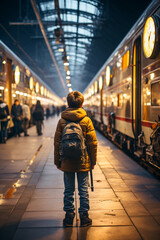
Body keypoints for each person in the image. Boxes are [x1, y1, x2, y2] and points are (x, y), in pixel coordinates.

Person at [54, 91, 97, 227]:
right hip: (83, 161)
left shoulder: (62, 121)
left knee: (68, 189)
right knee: (83, 189)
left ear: (68, 103)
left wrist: (57, 162)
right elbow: (92, 143)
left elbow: (57, 143)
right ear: (82, 103)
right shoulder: (86, 120)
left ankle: (69, 217)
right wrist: (93, 162)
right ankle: (84, 217)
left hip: (66, 161)